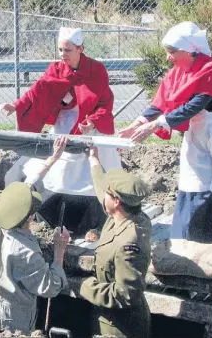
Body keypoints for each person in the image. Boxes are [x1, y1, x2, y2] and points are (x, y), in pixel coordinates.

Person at [2, 27, 122, 239]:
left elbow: (104, 102)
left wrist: (91, 121)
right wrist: (16, 105)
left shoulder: (97, 70)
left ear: (80, 49)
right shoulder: (55, 69)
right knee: (57, 170)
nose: (62, 54)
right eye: (60, 49)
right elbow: (36, 91)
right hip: (64, 124)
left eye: (67, 49)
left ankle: (95, 223)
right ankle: (52, 218)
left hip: (89, 126)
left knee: (93, 170)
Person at [119, 22, 212, 246]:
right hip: (195, 132)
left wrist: (155, 125)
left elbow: (193, 106)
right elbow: (160, 102)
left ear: (190, 51)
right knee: (193, 181)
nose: (168, 58)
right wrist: (139, 122)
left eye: (172, 52)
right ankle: (191, 241)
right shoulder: (178, 73)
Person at [0, 136, 70, 335]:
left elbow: (25, 189)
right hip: (10, 320)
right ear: (31, 216)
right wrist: (60, 251)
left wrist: (52, 159)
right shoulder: (25, 252)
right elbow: (50, 287)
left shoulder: (3, 224)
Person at [79, 145, 152, 338]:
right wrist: (93, 159)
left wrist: (84, 286)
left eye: (108, 194)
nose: (103, 196)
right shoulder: (127, 215)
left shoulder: (129, 244)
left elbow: (127, 294)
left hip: (120, 328)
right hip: (106, 317)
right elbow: (101, 185)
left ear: (117, 201)